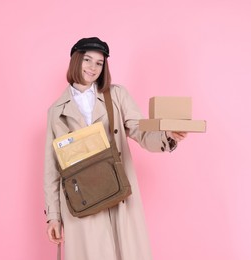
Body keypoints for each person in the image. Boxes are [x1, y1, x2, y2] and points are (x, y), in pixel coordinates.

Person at [44, 37, 187, 260]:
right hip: (81, 200)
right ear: (75, 60)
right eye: (87, 60)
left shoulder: (116, 95)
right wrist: (53, 216)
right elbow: (52, 168)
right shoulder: (56, 111)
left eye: (99, 63)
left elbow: (141, 131)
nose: (92, 67)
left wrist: (167, 136)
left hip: (118, 193)